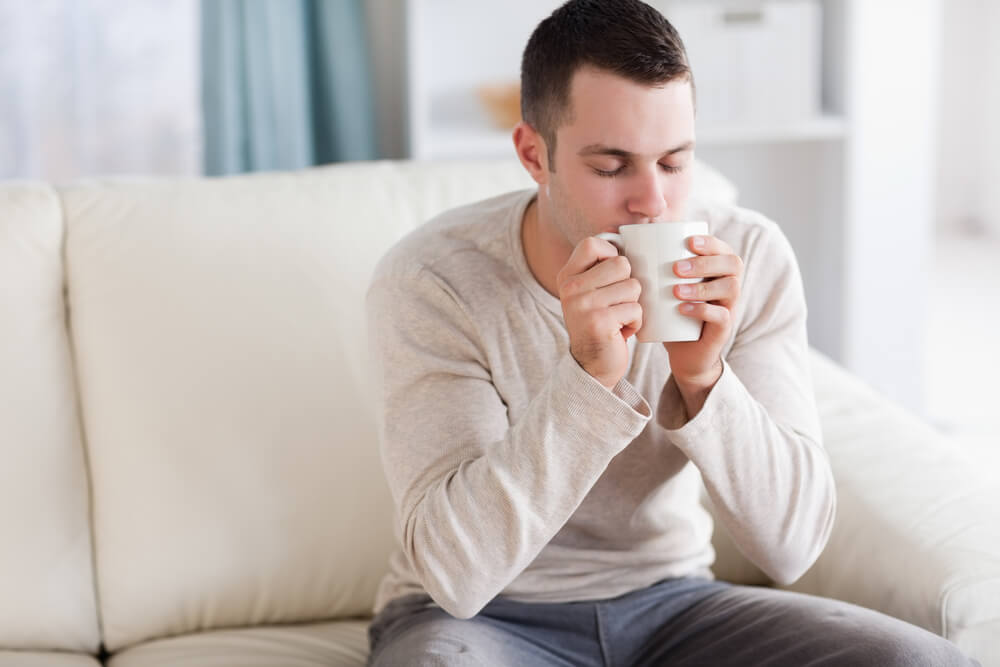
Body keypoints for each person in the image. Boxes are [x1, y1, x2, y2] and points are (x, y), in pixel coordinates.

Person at [364, 0, 980, 665]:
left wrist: (706, 380)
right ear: (533, 154)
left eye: (674, 162)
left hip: (673, 605)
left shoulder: (748, 256)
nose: (652, 202)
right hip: (483, 620)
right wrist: (588, 380)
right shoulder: (435, 280)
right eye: (611, 166)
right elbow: (457, 575)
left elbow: (792, 544)